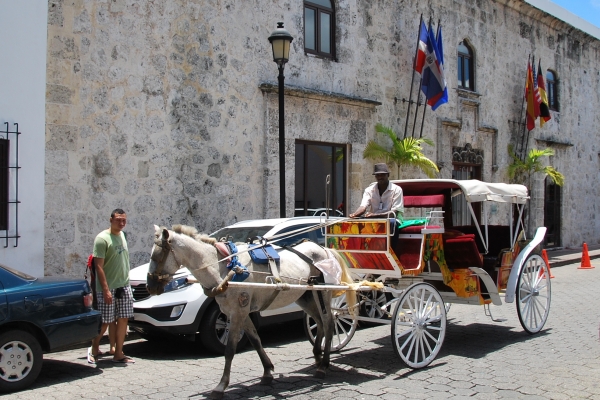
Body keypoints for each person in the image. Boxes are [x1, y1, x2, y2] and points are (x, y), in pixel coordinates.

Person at [87, 208, 135, 365]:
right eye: (118, 220)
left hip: (123, 285)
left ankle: (119, 353)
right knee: (106, 321)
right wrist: (106, 290)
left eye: (124, 220)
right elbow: (99, 267)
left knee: (123, 319)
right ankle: (94, 348)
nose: (121, 223)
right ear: (111, 220)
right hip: (108, 287)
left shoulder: (123, 235)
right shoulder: (102, 239)